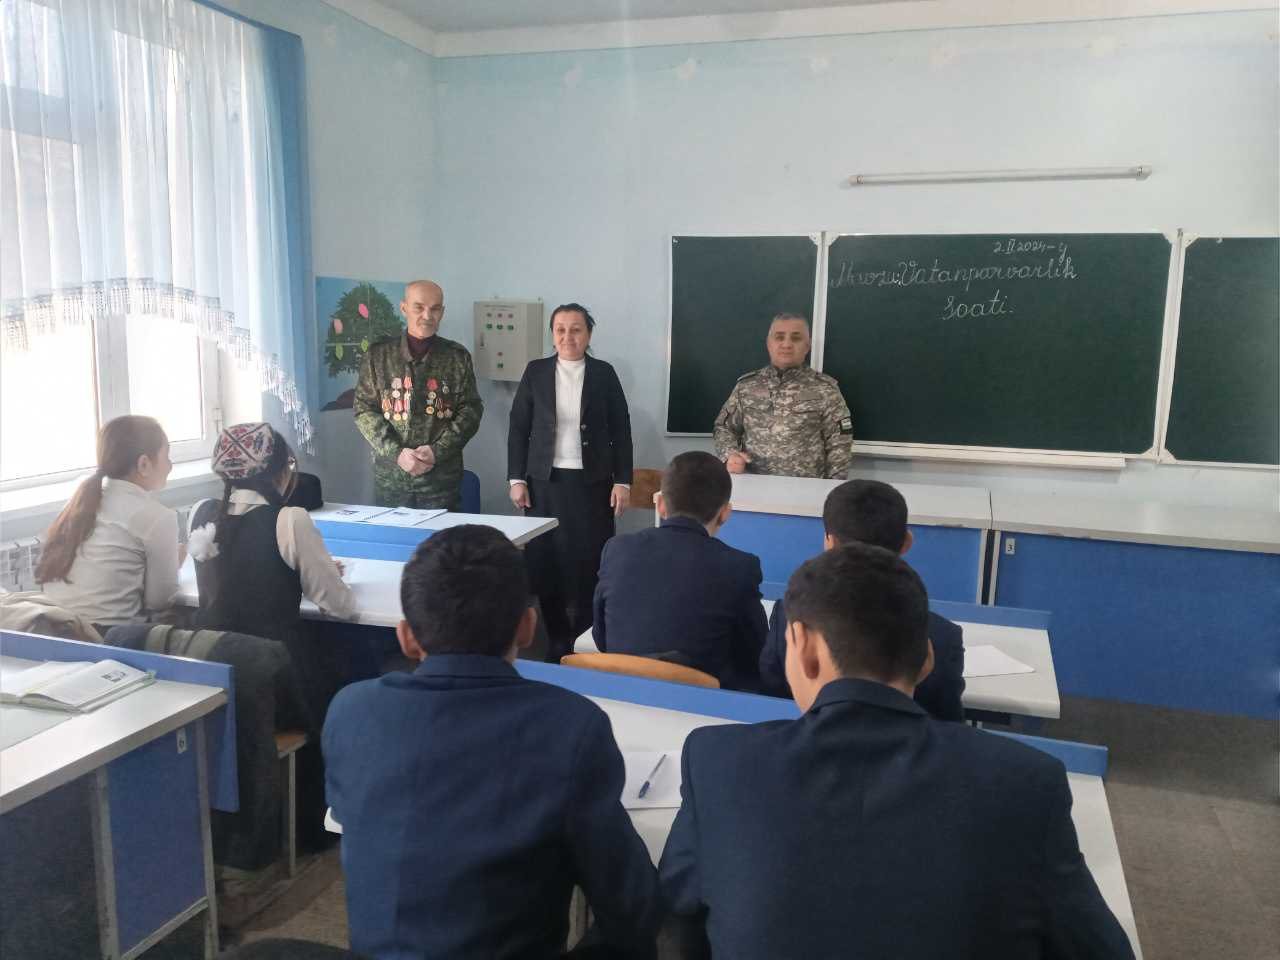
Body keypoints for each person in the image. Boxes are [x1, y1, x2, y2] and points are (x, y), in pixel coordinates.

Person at [659, 544, 1135, 960]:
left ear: (803, 648)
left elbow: (671, 916)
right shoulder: (1027, 783)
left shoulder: (717, 762)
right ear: (927, 659)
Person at [323, 525, 661, 960]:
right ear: (527, 627)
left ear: (406, 637)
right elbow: (631, 909)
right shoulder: (571, 727)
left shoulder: (351, 712)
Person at [758, 479, 965, 720]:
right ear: (907, 542)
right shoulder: (941, 636)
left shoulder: (790, 616)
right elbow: (948, 724)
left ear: (829, 542)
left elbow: (768, 699)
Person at [508, 303, 633, 661]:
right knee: (545, 560)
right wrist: (516, 478)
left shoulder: (604, 374)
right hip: (544, 483)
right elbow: (518, 428)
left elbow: (621, 431)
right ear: (552, 335)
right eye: (560, 329)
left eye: (576, 329)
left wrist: (623, 482)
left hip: (593, 483)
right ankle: (556, 637)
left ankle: (585, 638)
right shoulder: (536, 372)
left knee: (590, 560)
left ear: (588, 334)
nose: (568, 336)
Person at [592, 452, 767, 690]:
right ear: (725, 513)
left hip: (620, 690)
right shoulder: (739, 567)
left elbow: (601, 637)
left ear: (661, 504)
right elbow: (757, 655)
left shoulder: (617, 549)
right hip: (703, 701)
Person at [188, 422, 355, 647]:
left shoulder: (199, 511)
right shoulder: (290, 520)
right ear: (280, 470)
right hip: (271, 660)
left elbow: (236, 576)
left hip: (208, 653)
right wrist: (322, 575)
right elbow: (340, 607)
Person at [37, 415, 180, 629]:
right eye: (167, 456)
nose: (170, 465)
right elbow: (160, 602)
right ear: (143, 464)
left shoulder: (79, 502)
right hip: (107, 637)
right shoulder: (158, 517)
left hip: (53, 630)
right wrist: (175, 562)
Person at [353, 279, 483, 511]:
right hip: (392, 480)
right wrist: (396, 452)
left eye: (435, 309)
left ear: (442, 312)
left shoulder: (456, 357)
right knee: (394, 534)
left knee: (443, 536)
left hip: (441, 480)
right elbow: (364, 409)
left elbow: (471, 410)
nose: (427, 315)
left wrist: (437, 450)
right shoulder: (378, 356)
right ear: (404, 308)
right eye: (419, 307)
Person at [713, 313, 853, 479]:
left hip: (806, 488)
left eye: (796, 338)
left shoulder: (825, 388)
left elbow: (840, 443)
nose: (786, 344)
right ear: (769, 343)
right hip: (754, 484)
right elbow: (724, 428)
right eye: (779, 337)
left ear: (807, 346)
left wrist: (832, 487)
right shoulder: (746, 386)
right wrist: (730, 454)